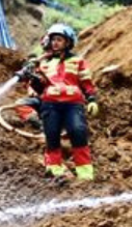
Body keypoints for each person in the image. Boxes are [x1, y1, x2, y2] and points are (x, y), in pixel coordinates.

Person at [18, 24, 101, 182]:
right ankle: (54, 168)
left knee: (78, 131)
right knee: (52, 134)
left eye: (59, 40)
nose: (55, 43)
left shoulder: (78, 61)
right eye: (53, 39)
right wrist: (33, 77)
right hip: (49, 104)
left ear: (68, 42)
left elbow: (87, 83)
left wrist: (91, 99)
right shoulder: (43, 63)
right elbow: (40, 87)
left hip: (73, 104)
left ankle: (85, 172)